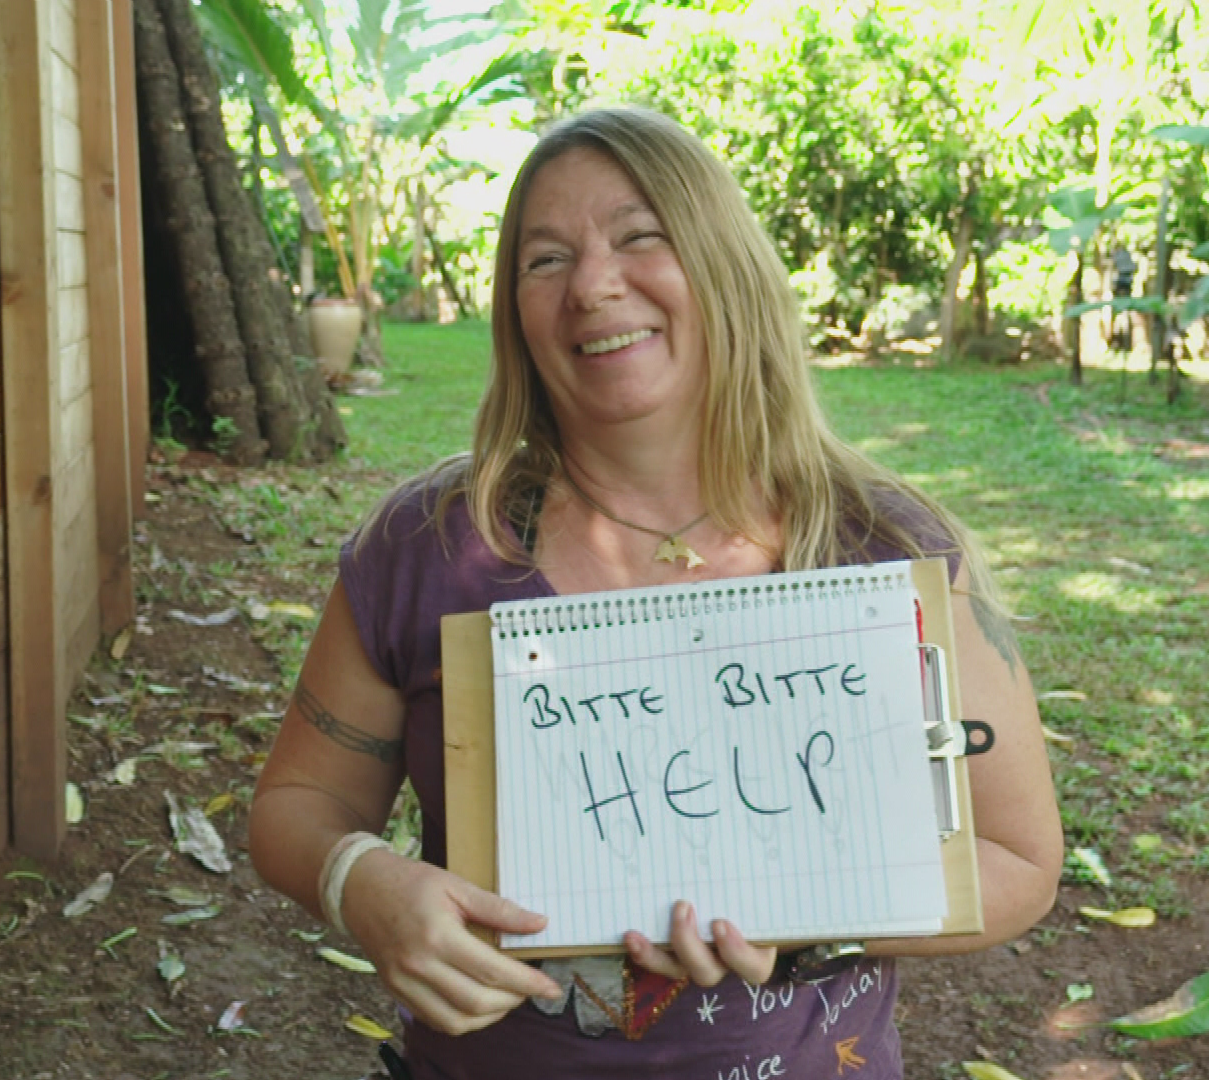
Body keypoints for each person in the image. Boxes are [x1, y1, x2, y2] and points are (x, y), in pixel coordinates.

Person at [249, 106, 1062, 1079]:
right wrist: (360, 882)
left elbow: (1018, 859)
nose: (593, 285)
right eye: (545, 260)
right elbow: (298, 801)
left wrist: (810, 921)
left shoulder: (881, 552)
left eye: (641, 237)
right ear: (514, 311)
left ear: (724, 264)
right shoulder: (425, 547)